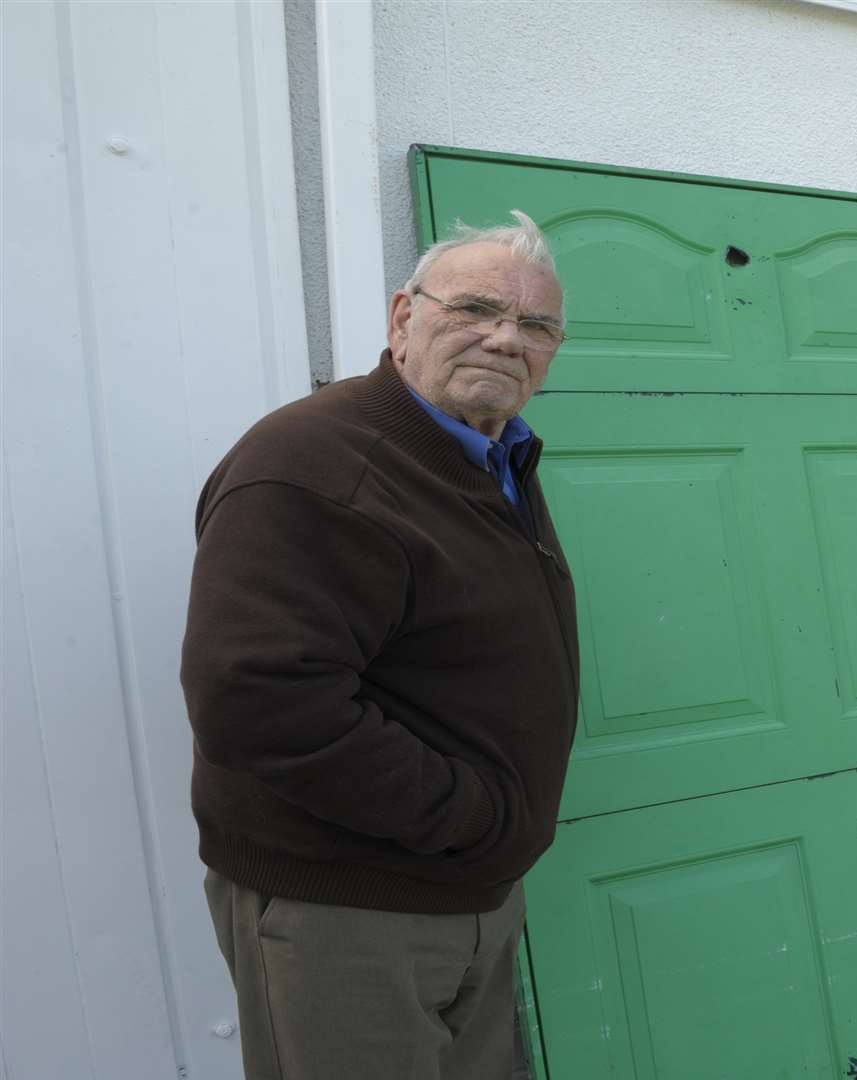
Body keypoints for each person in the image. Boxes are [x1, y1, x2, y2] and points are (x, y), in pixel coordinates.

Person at [180, 210, 578, 1079]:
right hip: (349, 912)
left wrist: (489, 846)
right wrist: (475, 820)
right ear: (403, 318)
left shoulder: (491, 456)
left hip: (465, 894)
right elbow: (259, 701)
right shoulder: (314, 461)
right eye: (475, 308)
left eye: (536, 325)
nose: (506, 338)